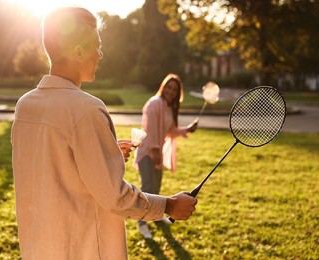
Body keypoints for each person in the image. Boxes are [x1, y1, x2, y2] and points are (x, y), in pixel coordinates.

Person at [11, 7, 197, 259]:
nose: (100, 54)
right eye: (97, 46)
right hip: (82, 248)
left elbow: (55, 171)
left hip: (39, 246)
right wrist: (170, 205)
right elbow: (115, 197)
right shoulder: (87, 109)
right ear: (78, 51)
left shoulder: (25, 105)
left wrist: (107, 156)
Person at [133, 73, 199, 238]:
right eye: (169, 87)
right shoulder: (155, 103)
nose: (171, 91)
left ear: (178, 93)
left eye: (174, 89)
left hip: (157, 153)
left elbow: (171, 131)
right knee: (147, 189)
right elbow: (150, 130)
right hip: (148, 153)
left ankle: (155, 216)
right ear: (163, 87)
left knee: (156, 190)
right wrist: (156, 153)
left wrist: (188, 129)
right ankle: (141, 223)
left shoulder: (169, 107)